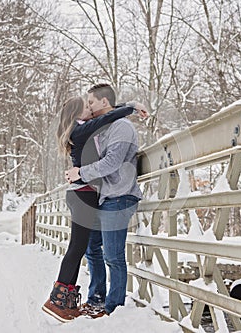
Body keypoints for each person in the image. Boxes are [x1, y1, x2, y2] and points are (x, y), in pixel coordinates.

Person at [42, 94, 148, 323]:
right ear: (77, 114)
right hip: (83, 194)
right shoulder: (80, 130)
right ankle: (56, 301)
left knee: (82, 247)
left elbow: (105, 115)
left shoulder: (81, 128)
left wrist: (121, 108)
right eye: (85, 106)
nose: (90, 108)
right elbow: (104, 118)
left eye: (91, 104)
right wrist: (131, 107)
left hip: (84, 195)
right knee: (77, 247)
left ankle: (66, 300)